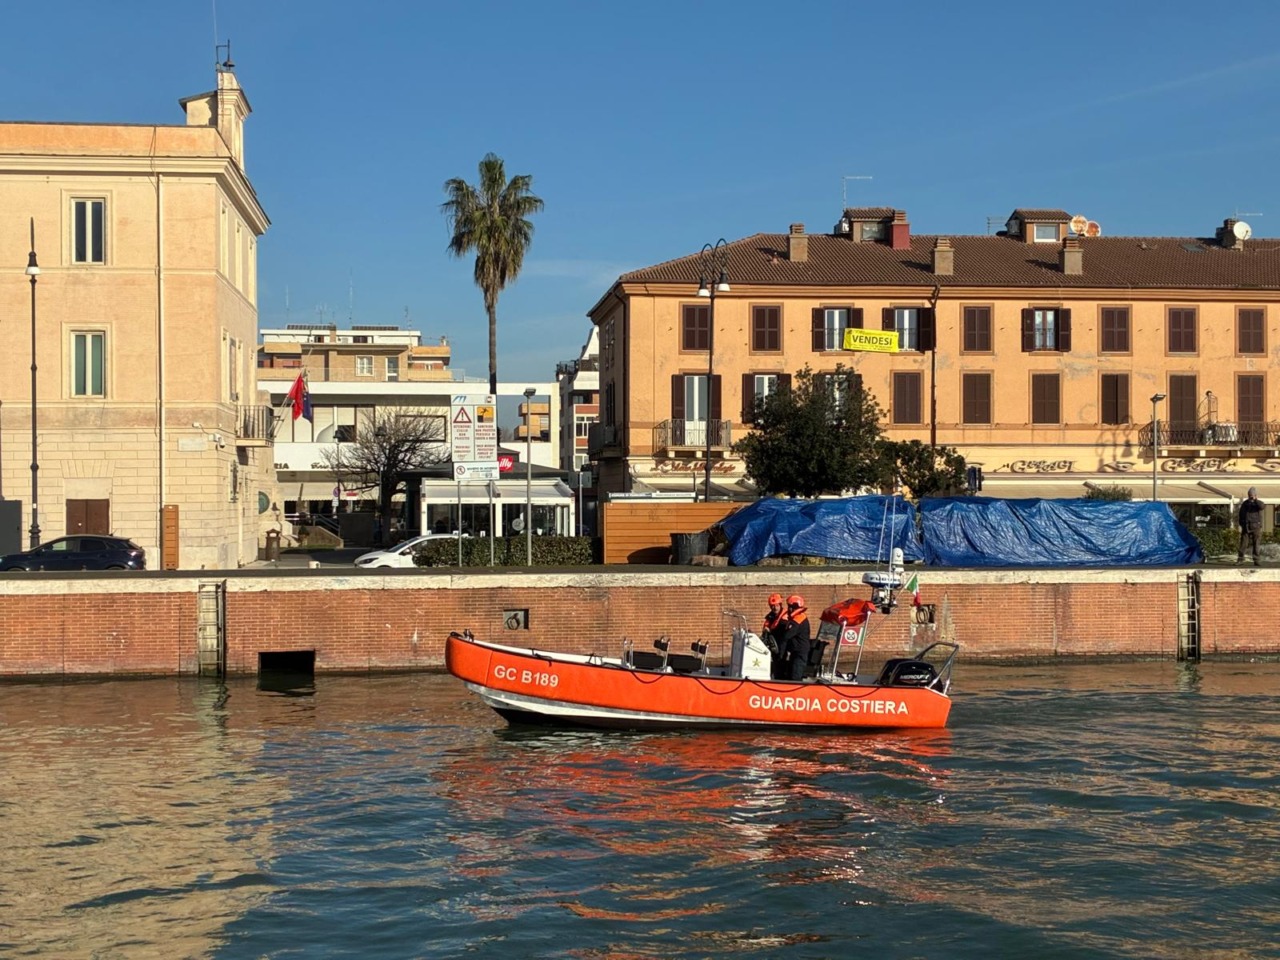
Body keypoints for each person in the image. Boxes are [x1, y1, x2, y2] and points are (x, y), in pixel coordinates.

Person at [777, 594, 812, 681]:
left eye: (789, 606)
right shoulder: (796, 618)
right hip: (795, 651)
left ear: (794, 607)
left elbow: (786, 636)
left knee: (795, 675)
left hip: (799, 652)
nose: (788, 609)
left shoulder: (798, 619)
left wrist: (780, 655)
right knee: (790, 673)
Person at [1238, 487, 1265, 566]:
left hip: (1256, 527)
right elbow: (1241, 514)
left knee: (1256, 544)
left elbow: (1262, 507)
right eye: (1249, 495)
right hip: (1246, 527)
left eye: (1252, 495)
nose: (1250, 496)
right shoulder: (1245, 503)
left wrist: (1255, 500)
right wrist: (1241, 523)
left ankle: (1256, 560)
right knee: (1243, 544)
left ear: (1255, 495)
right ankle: (1240, 559)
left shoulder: (1258, 503)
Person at [761, 593, 787, 677]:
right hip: (774, 645)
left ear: (780, 605)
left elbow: (783, 631)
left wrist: (770, 631)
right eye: (772, 606)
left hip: (783, 645)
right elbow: (766, 627)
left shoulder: (785, 616)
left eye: (776, 605)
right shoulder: (770, 616)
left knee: (781, 666)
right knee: (775, 665)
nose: (774, 608)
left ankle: (780, 679)